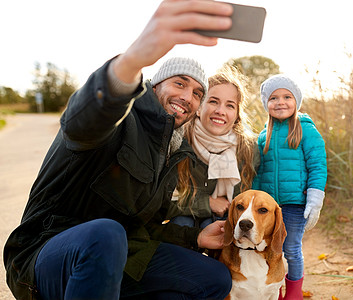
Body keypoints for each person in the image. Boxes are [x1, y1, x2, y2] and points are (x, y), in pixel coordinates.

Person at [3, 1, 236, 299]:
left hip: (118, 257)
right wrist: (132, 61)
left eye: (197, 93)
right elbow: (82, 122)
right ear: (154, 86)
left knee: (213, 278)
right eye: (180, 83)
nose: (187, 97)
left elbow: (145, 228)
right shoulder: (120, 118)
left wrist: (196, 236)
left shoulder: (173, 151)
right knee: (106, 233)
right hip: (47, 256)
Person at [252, 74, 327, 300]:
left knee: (291, 249)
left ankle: (294, 292)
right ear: (266, 104)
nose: (280, 102)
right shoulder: (263, 136)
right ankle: (274, 289)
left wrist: (314, 198)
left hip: (295, 203)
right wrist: (252, 201)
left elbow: (317, 165)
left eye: (287, 96)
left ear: (296, 101)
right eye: (273, 98)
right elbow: (258, 172)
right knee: (269, 249)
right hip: (268, 207)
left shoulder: (306, 130)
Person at [171, 67, 257, 229]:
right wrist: (207, 203)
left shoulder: (248, 148)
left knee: (221, 227)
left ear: (237, 114)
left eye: (230, 106)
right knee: (182, 224)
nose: (220, 111)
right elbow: (164, 201)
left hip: (227, 219)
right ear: (198, 108)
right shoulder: (178, 141)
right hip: (184, 217)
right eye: (213, 101)